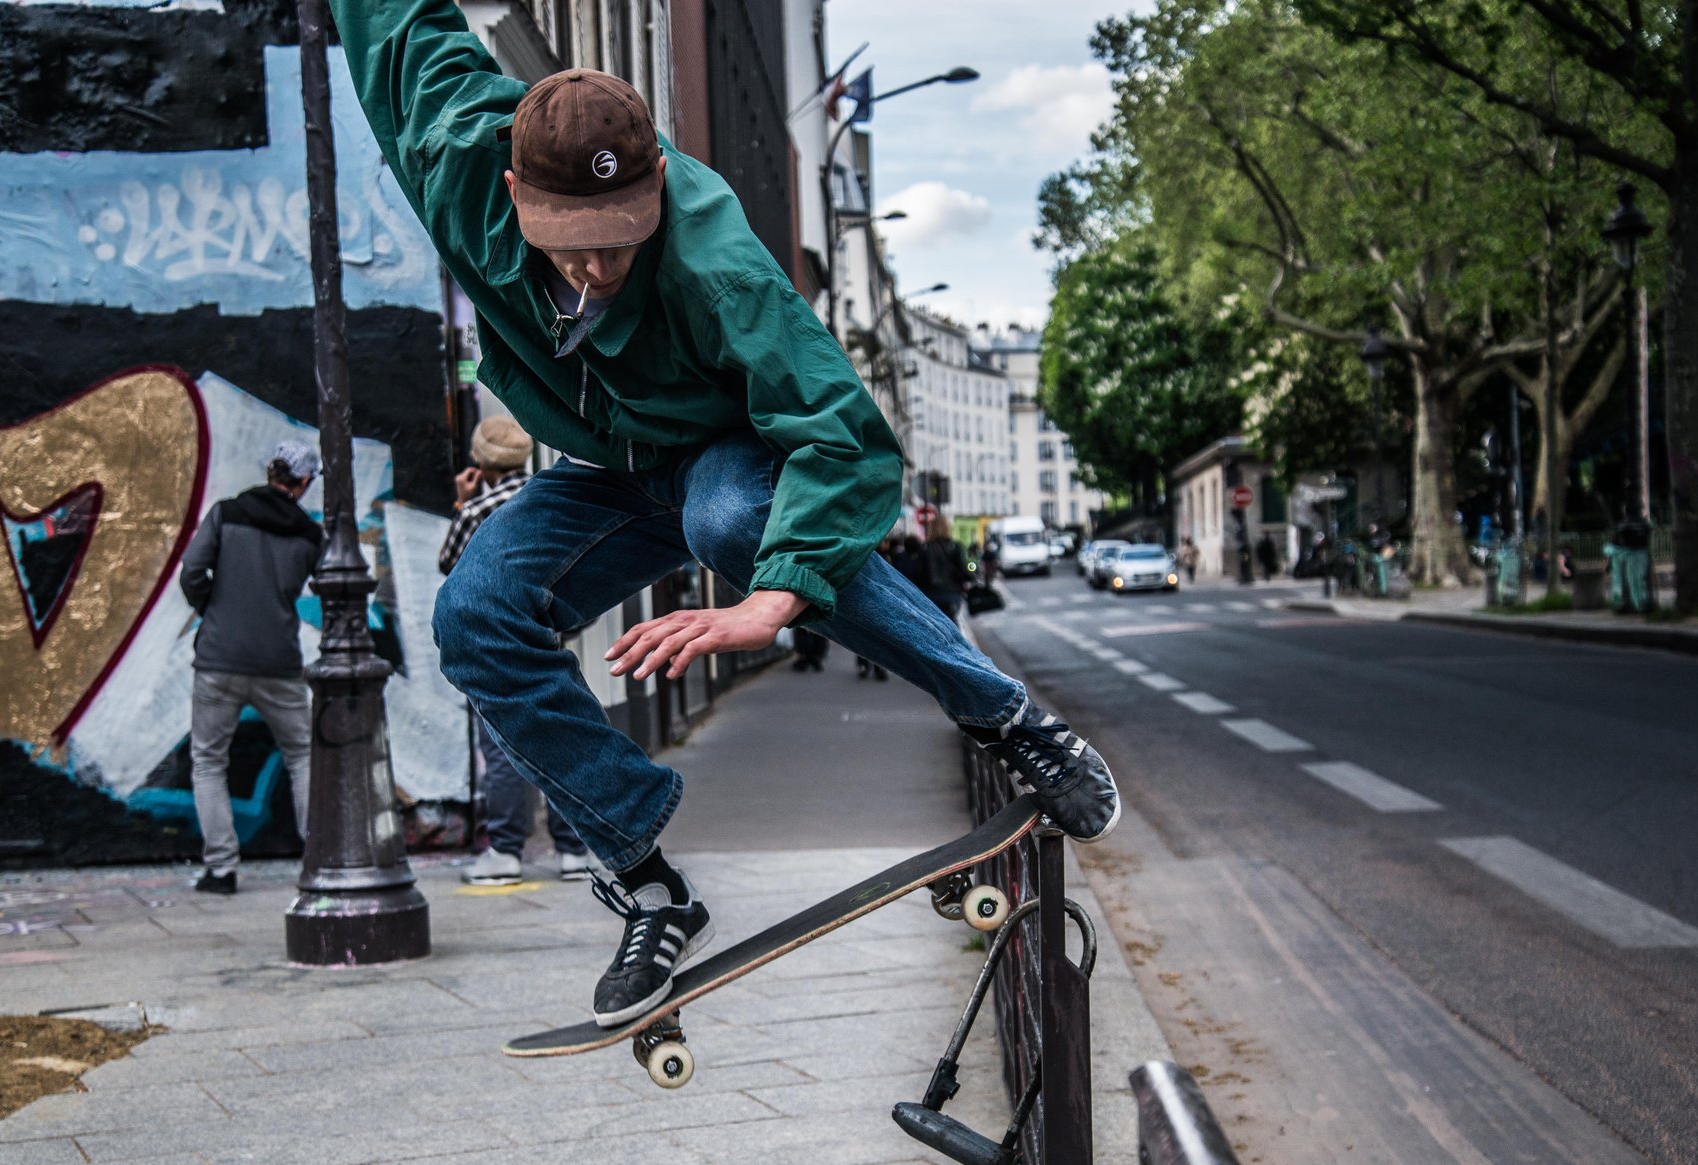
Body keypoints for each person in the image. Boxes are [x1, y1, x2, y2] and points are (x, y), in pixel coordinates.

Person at [330, 3, 1119, 1027]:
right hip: (601, 469)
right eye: (570, 244)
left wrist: (770, 604)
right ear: (514, 188)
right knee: (473, 615)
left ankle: (1010, 717)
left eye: (620, 243)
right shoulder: (452, 157)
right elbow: (394, 26)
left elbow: (842, 438)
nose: (596, 270)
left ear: (657, 176)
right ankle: (647, 883)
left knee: (731, 525)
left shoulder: (713, 259)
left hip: (723, 451)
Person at [441, 415, 597, 884]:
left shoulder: (475, 512)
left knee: (502, 745)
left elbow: (448, 565)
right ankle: (573, 850)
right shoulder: (549, 501)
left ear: (480, 460)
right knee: (560, 736)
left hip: (493, 645)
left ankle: (506, 852)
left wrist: (464, 501)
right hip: (549, 637)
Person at [177, 441, 324, 895]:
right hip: (279, 660)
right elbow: (327, 587)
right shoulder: (309, 534)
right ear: (303, 483)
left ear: (269, 469)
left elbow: (191, 571)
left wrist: (213, 611)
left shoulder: (225, 513)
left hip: (219, 659)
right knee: (302, 756)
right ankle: (319, 859)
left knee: (208, 761)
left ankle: (221, 869)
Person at [921, 521, 972, 621]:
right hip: (952, 593)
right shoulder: (955, 546)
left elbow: (919, 573)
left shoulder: (925, 548)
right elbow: (964, 570)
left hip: (931, 595)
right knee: (952, 623)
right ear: (948, 528)